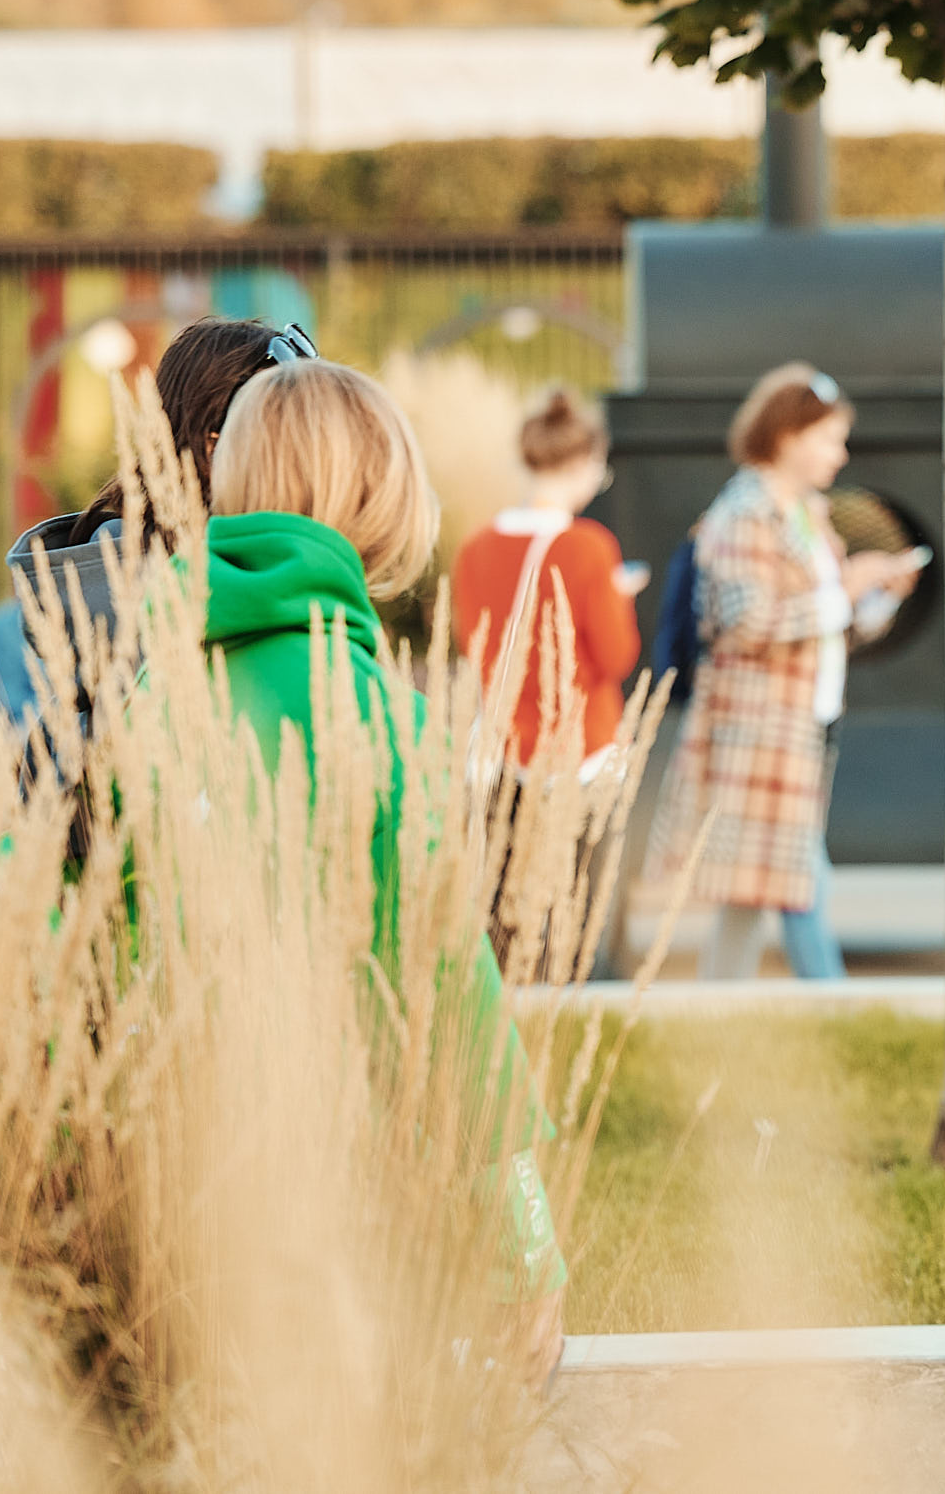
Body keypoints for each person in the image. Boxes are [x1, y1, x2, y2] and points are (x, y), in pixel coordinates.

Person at [201, 357, 568, 1351]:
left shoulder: (141, 685)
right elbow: (452, 1003)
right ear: (383, 503)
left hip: (164, 1222)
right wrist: (524, 1257)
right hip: (335, 1243)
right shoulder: (376, 718)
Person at [643, 364, 921, 981]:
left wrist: (879, 596)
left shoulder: (805, 513)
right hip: (758, 730)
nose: (840, 454)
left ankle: (718, 1009)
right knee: (801, 885)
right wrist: (847, 590)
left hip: (801, 726)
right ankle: (832, 1005)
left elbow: (828, 625)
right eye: (829, 439)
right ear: (789, 436)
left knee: (756, 892)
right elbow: (746, 622)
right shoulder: (745, 514)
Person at [0, 318, 319, 729]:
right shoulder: (139, 593)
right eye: (284, 437)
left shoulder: (256, 570)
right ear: (214, 446)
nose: (306, 463)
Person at [450, 387, 645, 772]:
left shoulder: (474, 548)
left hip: (504, 750)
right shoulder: (590, 546)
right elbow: (616, 656)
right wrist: (619, 598)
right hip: (580, 750)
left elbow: (472, 647)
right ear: (584, 464)